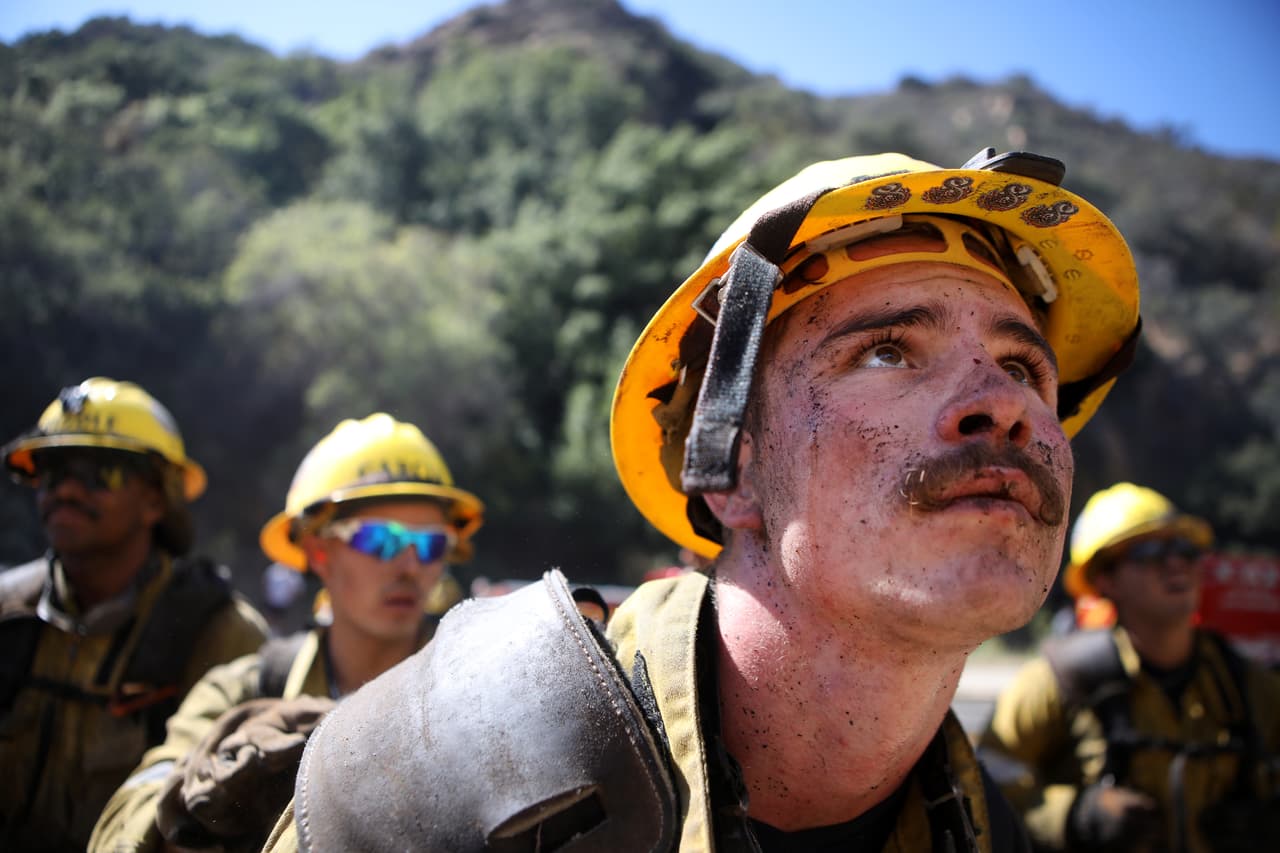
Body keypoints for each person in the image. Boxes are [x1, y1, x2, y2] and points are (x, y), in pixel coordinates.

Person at [262, 147, 1142, 852]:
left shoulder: (986, 826)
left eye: (1026, 366)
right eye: (887, 351)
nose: (1008, 405)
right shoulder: (434, 787)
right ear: (733, 470)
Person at [89, 412, 484, 853]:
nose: (411, 567)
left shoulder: (478, 694)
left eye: (431, 545)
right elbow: (123, 819)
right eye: (381, 540)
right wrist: (196, 802)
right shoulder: (243, 691)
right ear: (317, 551)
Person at [0, 377, 269, 853]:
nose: (64, 491)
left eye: (95, 472)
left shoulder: (220, 634)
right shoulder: (9, 614)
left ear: (154, 499)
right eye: (51, 472)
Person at [980, 483, 1280, 852]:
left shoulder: (1247, 687)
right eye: (1150, 552)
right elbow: (986, 775)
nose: (1176, 563)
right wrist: (1073, 815)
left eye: (1185, 550)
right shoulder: (1061, 680)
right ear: (1105, 580)